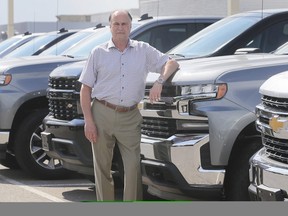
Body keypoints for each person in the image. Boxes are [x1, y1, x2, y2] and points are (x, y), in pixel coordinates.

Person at [79, 9, 179, 201]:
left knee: (133, 168)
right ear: (110, 27)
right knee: (102, 168)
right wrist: (88, 121)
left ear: (131, 27)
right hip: (101, 113)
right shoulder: (98, 53)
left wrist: (159, 81)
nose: (120, 28)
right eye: (116, 24)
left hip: (130, 117)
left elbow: (171, 63)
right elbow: (85, 90)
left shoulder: (143, 50)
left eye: (124, 24)